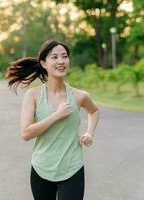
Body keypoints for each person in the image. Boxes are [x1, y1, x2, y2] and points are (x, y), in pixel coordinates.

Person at [5, 39, 99, 200]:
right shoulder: (33, 95)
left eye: (64, 56)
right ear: (43, 63)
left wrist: (89, 132)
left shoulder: (80, 96)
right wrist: (56, 115)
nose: (61, 61)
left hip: (72, 168)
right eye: (54, 57)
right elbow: (26, 133)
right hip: (41, 169)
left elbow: (94, 111)